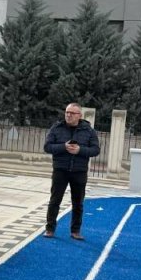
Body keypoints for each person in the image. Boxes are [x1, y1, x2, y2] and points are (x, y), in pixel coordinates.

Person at [43, 103, 100, 241]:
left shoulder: (89, 131)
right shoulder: (57, 128)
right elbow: (47, 147)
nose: (68, 115)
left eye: (72, 113)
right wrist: (64, 147)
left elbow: (95, 150)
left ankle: (75, 231)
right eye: (67, 112)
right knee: (55, 200)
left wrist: (80, 150)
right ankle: (50, 229)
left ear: (79, 115)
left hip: (79, 171)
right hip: (60, 170)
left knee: (78, 202)